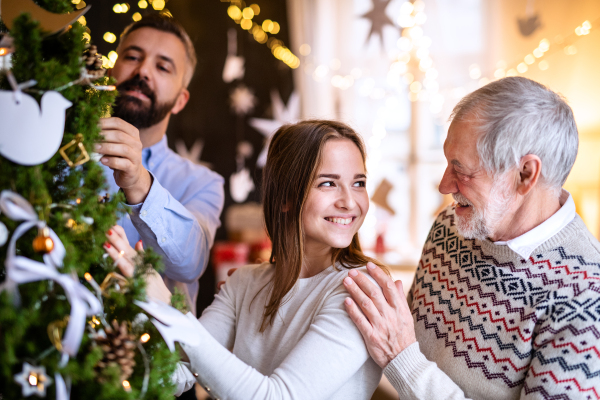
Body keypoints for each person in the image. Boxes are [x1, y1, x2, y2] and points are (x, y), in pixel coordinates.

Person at [344, 76, 600, 399]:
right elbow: (398, 341)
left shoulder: (586, 294)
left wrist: (402, 359)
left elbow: (402, 355)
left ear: (525, 175)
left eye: (461, 170)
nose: (444, 185)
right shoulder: (450, 226)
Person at [105, 120, 384, 399]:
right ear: (285, 198)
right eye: (329, 183)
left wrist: (168, 307)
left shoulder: (360, 292)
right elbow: (177, 372)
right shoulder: (245, 283)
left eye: (358, 183)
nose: (349, 201)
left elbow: (275, 397)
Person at [96, 15, 224, 315]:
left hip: (154, 356)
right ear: (112, 70)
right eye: (132, 57)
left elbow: (191, 264)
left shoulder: (204, 182)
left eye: (162, 66)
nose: (142, 71)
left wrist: (139, 182)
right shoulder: (62, 154)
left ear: (180, 100)